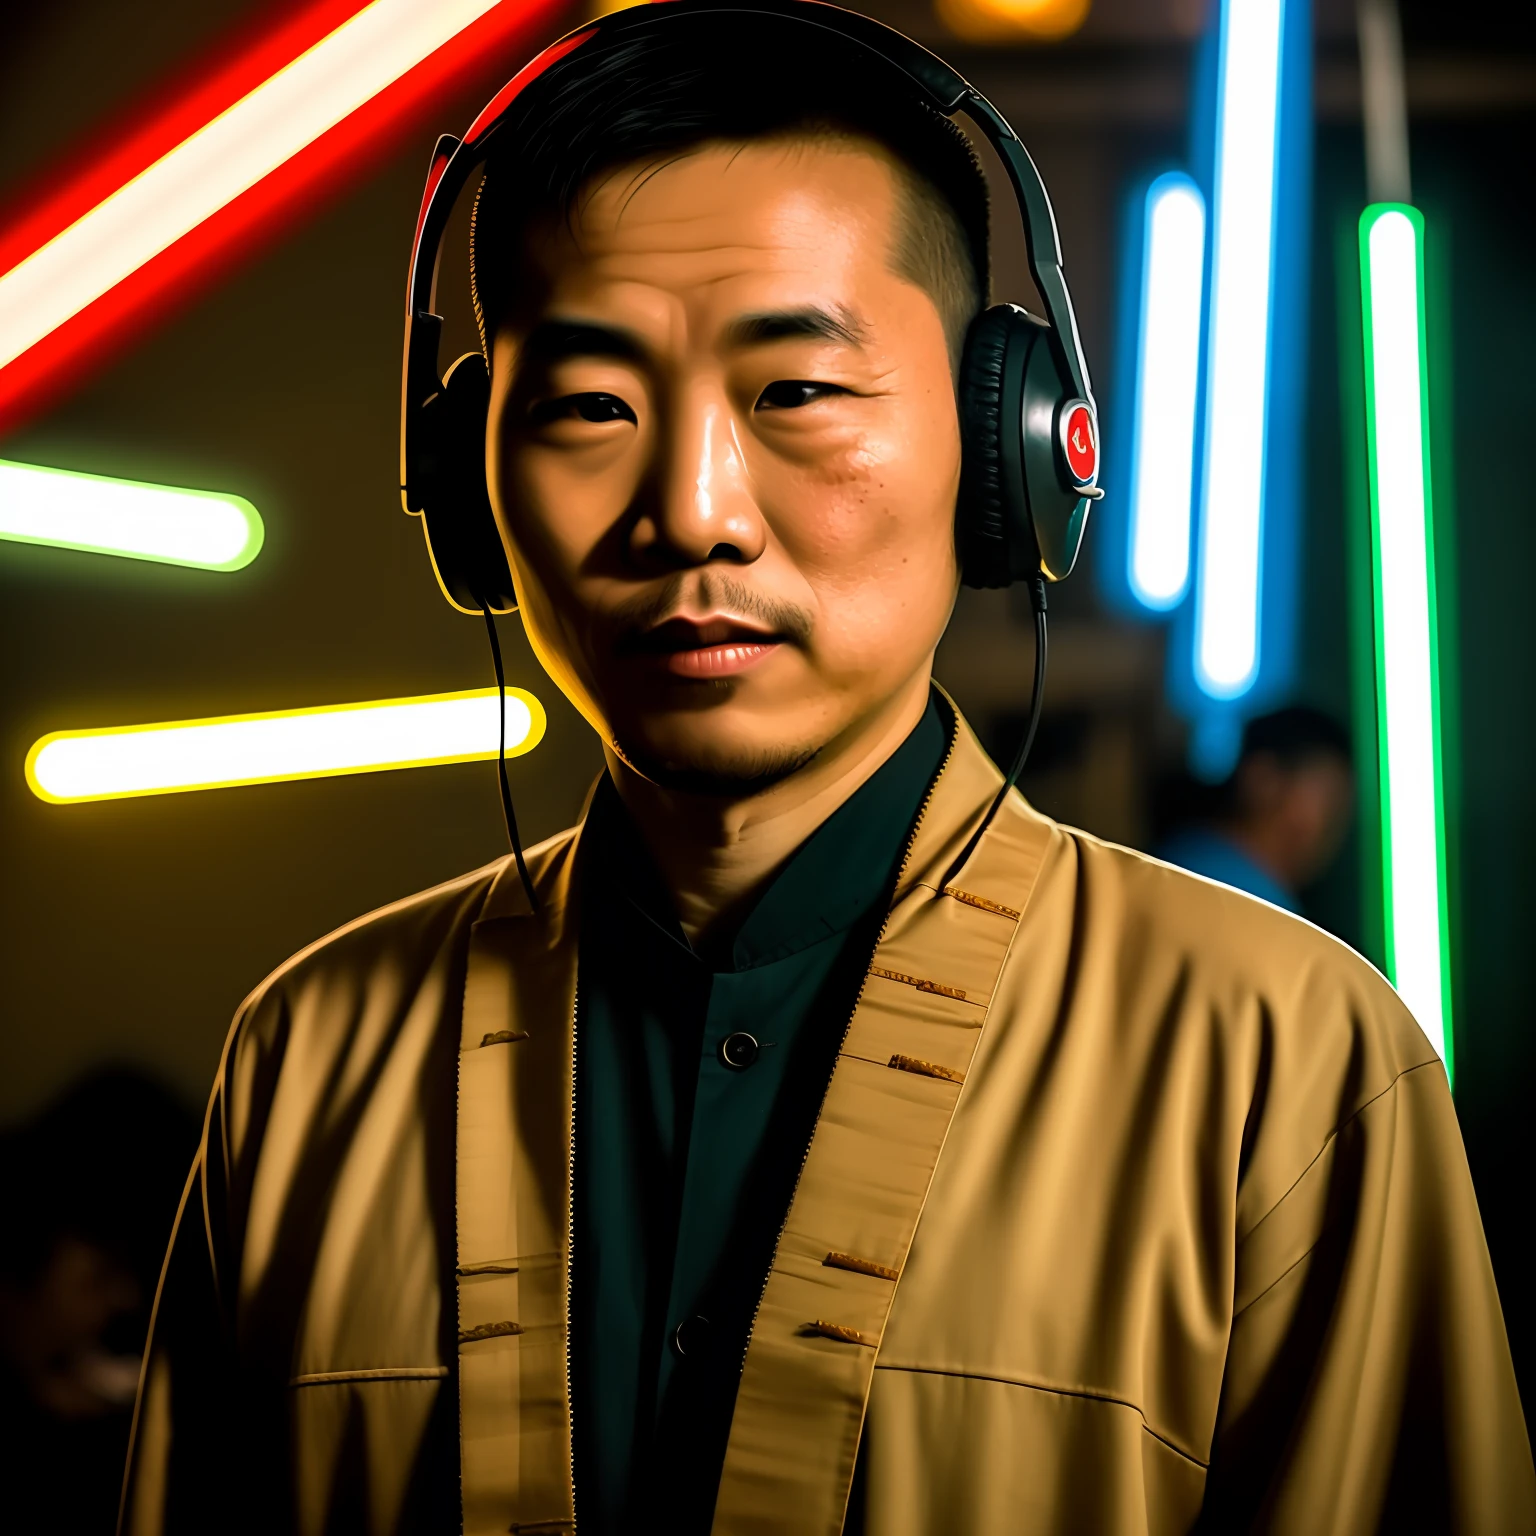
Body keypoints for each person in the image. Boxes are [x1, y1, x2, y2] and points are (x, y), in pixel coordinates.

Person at [121, 6, 1533, 1533]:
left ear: (1010, 449)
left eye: (795, 393)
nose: (694, 510)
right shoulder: (309, 1065)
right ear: (470, 488)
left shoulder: (1283, 1061)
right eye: (593, 406)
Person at [1156, 706, 1355, 913]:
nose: (1333, 824)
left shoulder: (1170, 859)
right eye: (1327, 795)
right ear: (1261, 778)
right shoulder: (1265, 911)